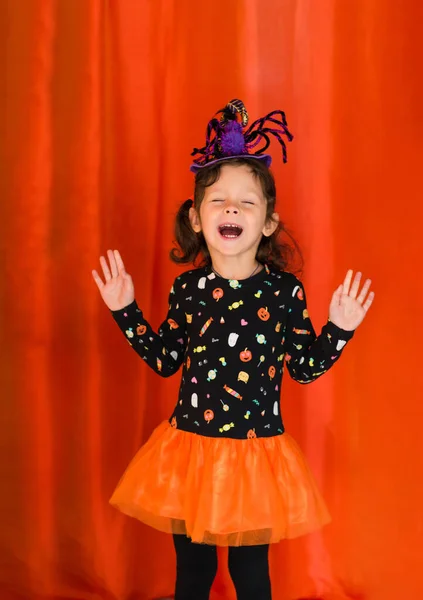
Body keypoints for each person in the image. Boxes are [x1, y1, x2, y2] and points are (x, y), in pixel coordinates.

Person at [92, 99, 374, 600]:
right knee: (194, 576)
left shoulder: (285, 292)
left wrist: (340, 330)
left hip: (254, 459)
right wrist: (126, 312)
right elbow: (165, 361)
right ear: (198, 219)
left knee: (251, 577)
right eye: (217, 200)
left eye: (247, 202)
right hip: (188, 455)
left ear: (267, 222)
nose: (231, 209)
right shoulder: (188, 289)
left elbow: (305, 369)